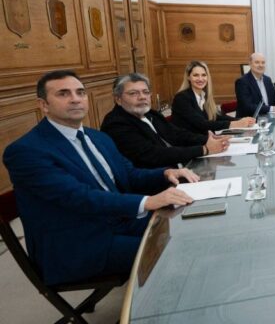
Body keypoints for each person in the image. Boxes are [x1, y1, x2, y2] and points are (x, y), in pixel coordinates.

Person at [2, 70, 197, 285]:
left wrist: (166, 173)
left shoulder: (98, 137)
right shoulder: (26, 151)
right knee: (175, 253)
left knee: (188, 230)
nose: (76, 99)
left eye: (80, 92)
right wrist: (148, 201)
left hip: (118, 221)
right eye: (63, 94)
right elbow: (78, 197)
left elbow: (129, 175)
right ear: (44, 104)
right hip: (78, 242)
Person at [101, 73, 230, 169]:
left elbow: (177, 134)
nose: (142, 97)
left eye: (146, 92)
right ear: (118, 99)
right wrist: (204, 149)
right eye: (133, 93)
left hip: (180, 167)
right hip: (157, 183)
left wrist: (209, 140)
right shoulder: (116, 124)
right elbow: (153, 155)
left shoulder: (150, 113)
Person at [172, 60, 255, 133]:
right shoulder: (181, 98)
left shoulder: (204, 95)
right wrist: (234, 124)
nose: (200, 79)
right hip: (190, 146)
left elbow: (217, 116)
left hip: (205, 140)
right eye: (196, 75)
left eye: (204, 75)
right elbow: (202, 124)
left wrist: (240, 120)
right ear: (188, 77)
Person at [235, 52, 275, 117]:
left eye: (263, 62)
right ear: (250, 63)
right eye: (257, 62)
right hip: (250, 121)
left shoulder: (267, 80)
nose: (260, 65)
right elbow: (247, 106)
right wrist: (274, 108)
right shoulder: (242, 81)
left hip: (268, 118)